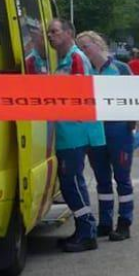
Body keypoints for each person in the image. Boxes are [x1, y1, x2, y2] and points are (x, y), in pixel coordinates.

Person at [46, 18, 104, 253]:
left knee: (72, 181)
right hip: (66, 131)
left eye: (55, 31)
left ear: (69, 33)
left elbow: (79, 91)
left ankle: (87, 231)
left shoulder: (76, 58)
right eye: (49, 32)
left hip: (74, 131)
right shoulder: (64, 59)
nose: (51, 36)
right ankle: (83, 229)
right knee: (70, 182)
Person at [77, 31, 136, 241]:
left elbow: (135, 97)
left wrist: (132, 125)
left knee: (122, 178)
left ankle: (125, 222)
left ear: (98, 44)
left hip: (118, 130)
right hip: (95, 131)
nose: (84, 51)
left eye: (86, 46)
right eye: (80, 48)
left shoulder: (121, 68)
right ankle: (104, 222)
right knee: (102, 179)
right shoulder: (85, 71)